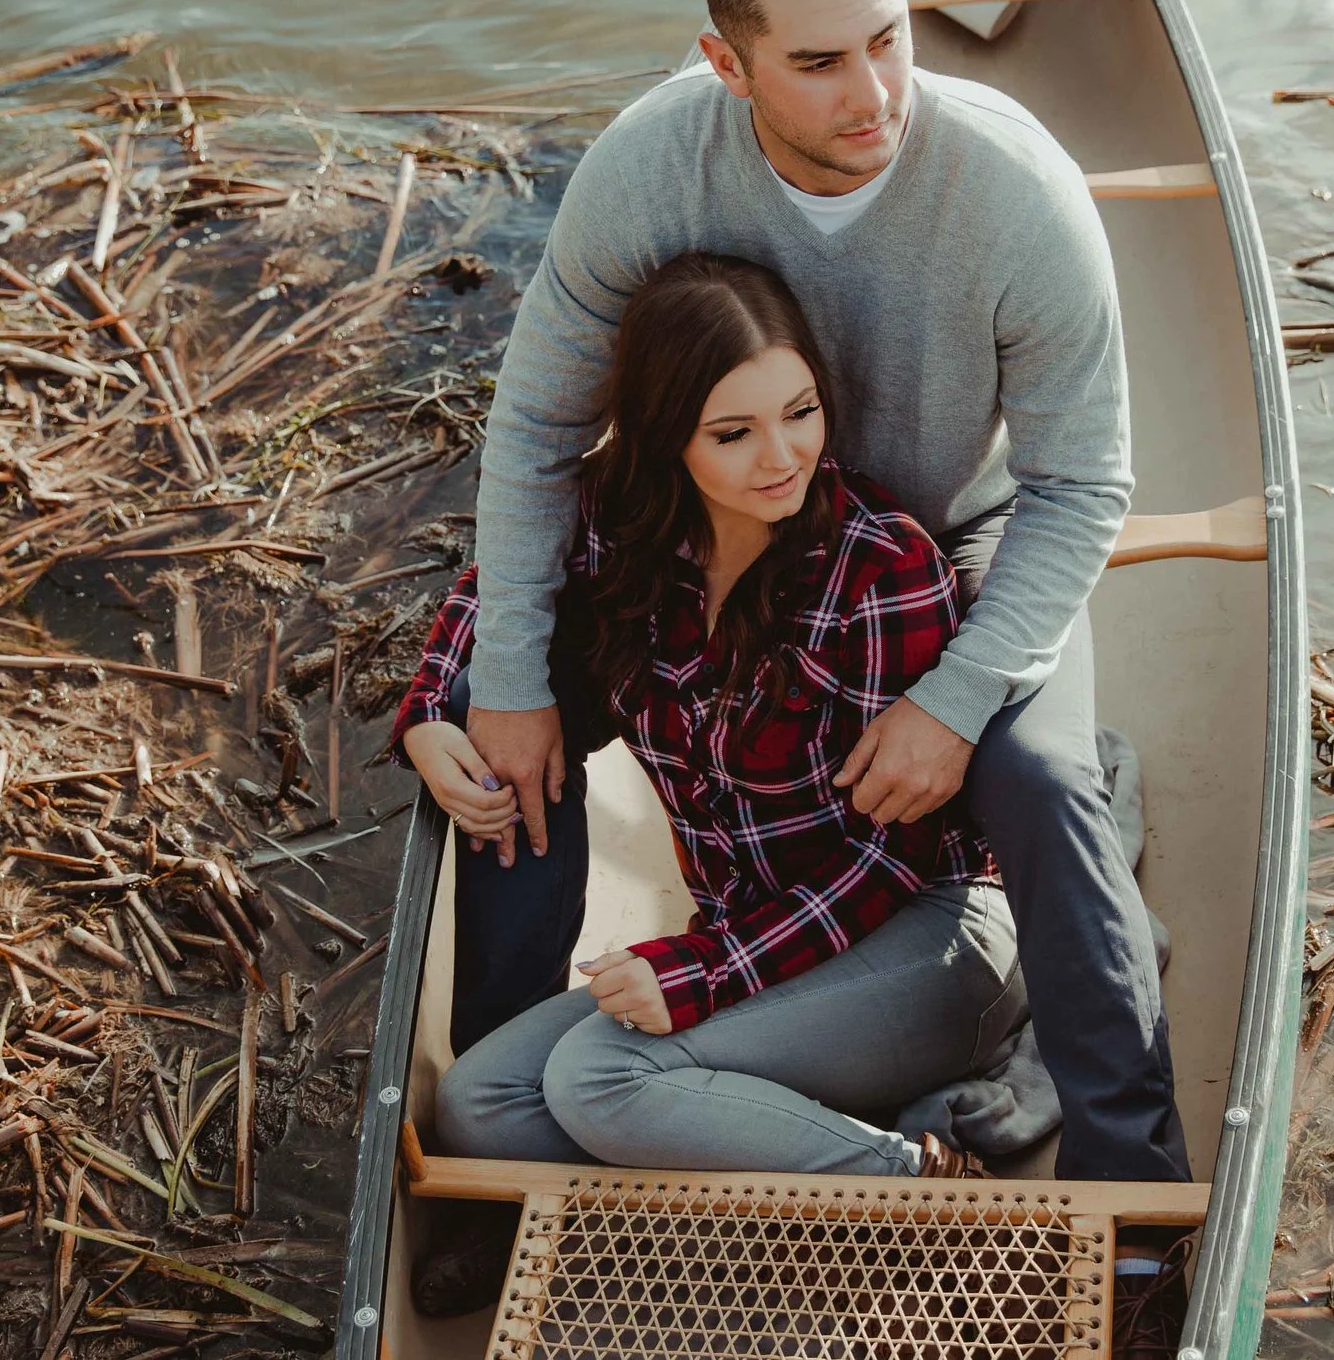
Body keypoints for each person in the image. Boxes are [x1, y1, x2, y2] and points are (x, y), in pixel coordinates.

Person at [448, 0, 1193, 1350]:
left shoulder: (1015, 190)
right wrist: (499, 677)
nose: (877, 90)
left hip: (962, 532)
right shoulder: (652, 164)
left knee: (1037, 775)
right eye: (820, 59)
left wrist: (952, 698)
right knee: (513, 722)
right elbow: (534, 436)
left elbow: (1081, 487)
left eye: (894, 35)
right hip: (748, 520)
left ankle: (1135, 1196)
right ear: (725, 61)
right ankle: (497, 1115)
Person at [395, 255, 1026, 1305]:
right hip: (752, 930)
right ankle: (755, 1129)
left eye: (801, 411)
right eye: (733, 434)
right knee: (479, 1099)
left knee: (598, 1078)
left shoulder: (882, 571)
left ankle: (920, 1176)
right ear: (664, 439)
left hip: (925, 935)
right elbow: (491, 584)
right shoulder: (618, 518)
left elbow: (891, 850)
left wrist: (701, 974)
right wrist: (427, 714)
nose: (782, 457)